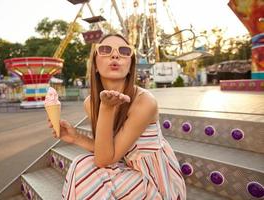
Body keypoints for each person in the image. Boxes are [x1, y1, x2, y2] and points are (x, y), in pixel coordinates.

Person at [48, 33, 186, 199]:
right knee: (82, 165)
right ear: (96, 65)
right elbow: (106, 150)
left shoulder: (144, 102)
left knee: (83, 167)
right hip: (125, 168)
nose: (115, 55)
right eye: (105, 50)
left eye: (124, 51)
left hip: (157, 180)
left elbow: (104, 160)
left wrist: (107, 108)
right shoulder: (90, 103)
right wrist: (75, 137)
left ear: (130, 66)